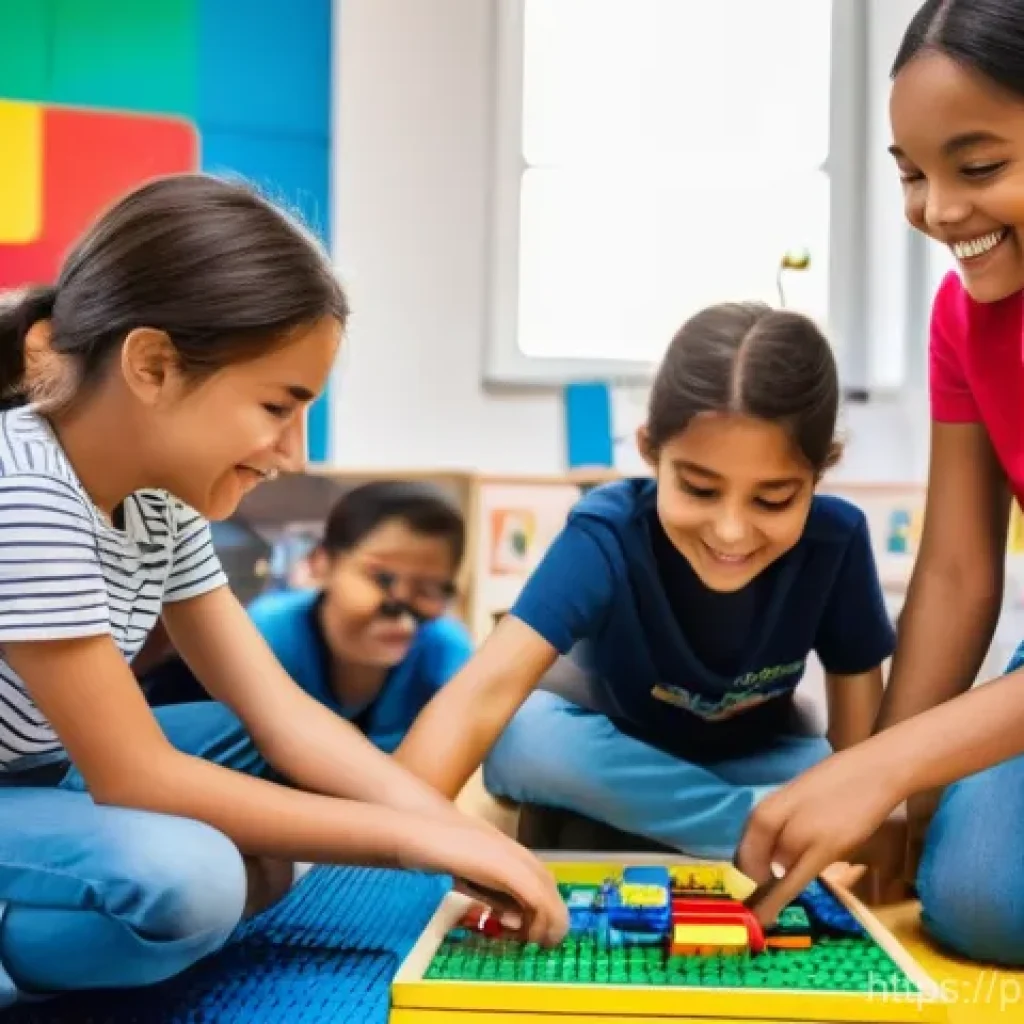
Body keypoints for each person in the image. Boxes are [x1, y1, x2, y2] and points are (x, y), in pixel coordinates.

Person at [0, 173, 567, 1009]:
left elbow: (283, 715)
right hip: (49, 789)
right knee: (190, 883)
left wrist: (459, 832)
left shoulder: (158, 499)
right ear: (154, 365)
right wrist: (416, 844)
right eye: (278, 405)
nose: (294, 452)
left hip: (43, 780)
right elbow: (136, 777)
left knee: (266, 758)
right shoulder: (26, 485)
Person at [393, 301, 896, 862]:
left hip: (754, 757)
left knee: (850, 776)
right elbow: (481, 694)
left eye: (773, 499)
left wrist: (856, 820)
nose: (731, 532)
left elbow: (859, 751)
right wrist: (390, 847)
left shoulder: (836, 540)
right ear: (650, 451)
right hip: (620, 746)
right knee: (522, 741)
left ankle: (703, 825)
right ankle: (759, 834)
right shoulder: (607, 530)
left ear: (819, 474)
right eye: (700, 490)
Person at [735, 0, 1024, 965]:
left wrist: (891, 766)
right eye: (911, 174)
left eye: (980, 167)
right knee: (976, 896)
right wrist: (881, 791)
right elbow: (954, 574)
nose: (938, 212)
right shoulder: (963, 317)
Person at [145, 480, 474, 755]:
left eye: (430, 589)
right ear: (322, 563)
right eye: (383, 579)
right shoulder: (269, 633)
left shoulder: (444, 649)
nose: (402, 609)